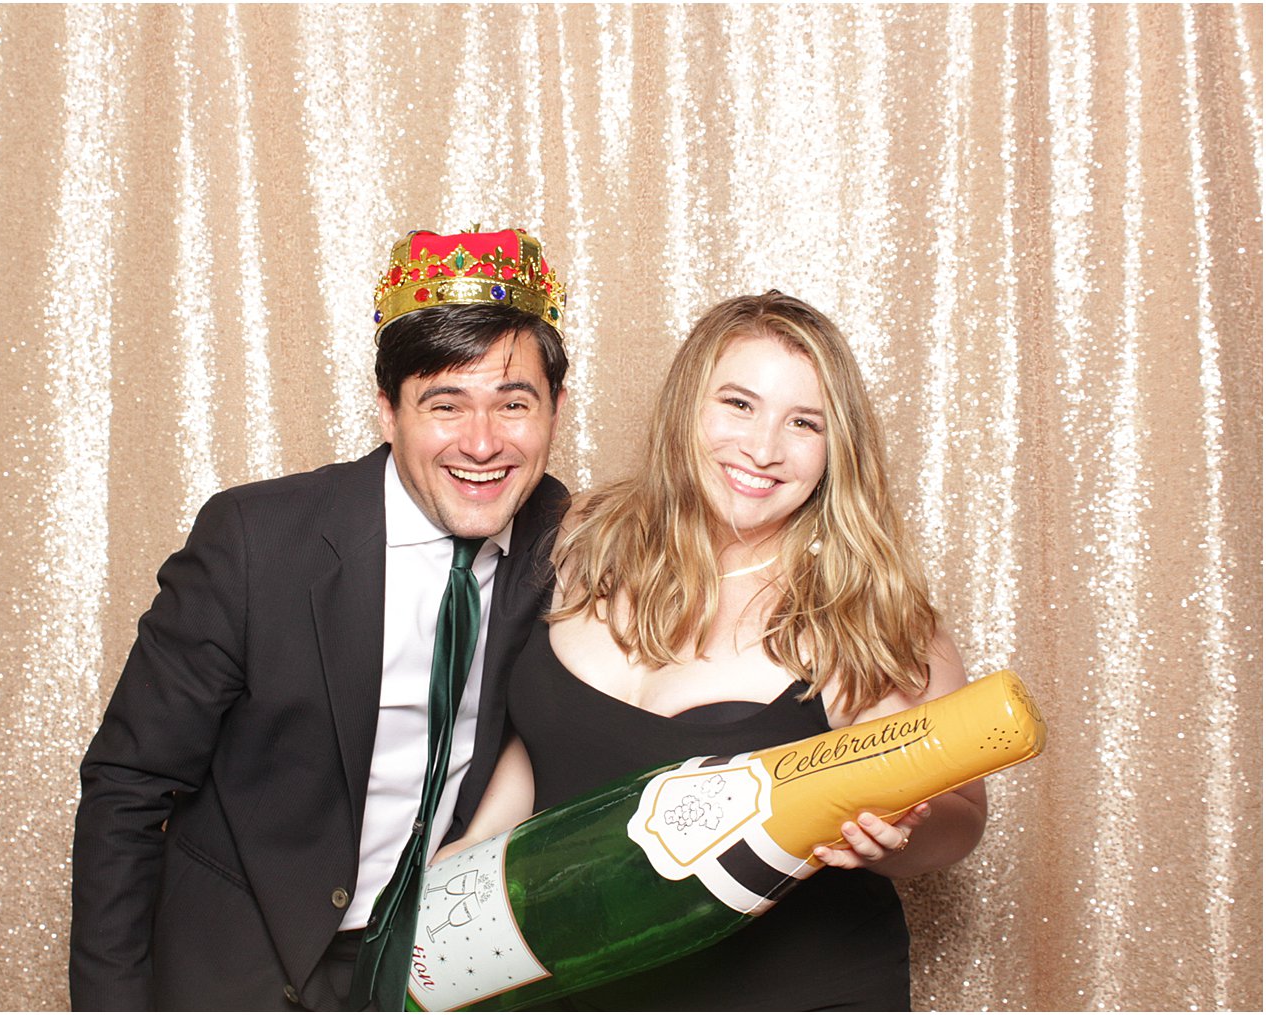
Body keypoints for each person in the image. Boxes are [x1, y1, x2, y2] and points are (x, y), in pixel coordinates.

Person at [69, 228, 570, 1011]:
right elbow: (128, 787)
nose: (482, 442)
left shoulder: (577, 549)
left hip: (441, 969)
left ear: (555, 410)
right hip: (239, 964)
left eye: (514, 404)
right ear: (387, 411)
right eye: (446, 404)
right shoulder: (256, 540)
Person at [446, 291, 987, 1010]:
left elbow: (961, 816)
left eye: (804, 423)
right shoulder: (582, 538)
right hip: (575, 981)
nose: (763, 448)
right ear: (687, 407)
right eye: (738, 404)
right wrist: (467, 861)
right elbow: (549, 737)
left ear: (835, 450)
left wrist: (893, 837)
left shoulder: (861, 608)